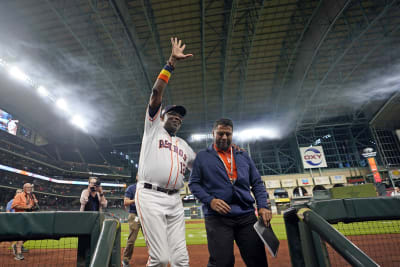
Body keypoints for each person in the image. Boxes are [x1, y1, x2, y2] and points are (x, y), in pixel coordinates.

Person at [135, 37, 195, 267]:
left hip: (175, 201)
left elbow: (202, 166)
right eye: (173, 114)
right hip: (150, 196)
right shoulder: (153, 129)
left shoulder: (183, 145)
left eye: (180, 116)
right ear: (161, 116)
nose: (178, 117)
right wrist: (171, 62)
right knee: (160, 259)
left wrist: (227, 150)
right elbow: (156, 94)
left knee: (181, 260)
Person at [189, 118, 272, 267]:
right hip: (218, 217)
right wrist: (210, 201)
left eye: (228, 134)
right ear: (213, 133)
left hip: (246, 215)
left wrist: (263, 205)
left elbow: (257, 183)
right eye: (220, 133)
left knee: (257, 260)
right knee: (222, 262)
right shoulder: (202, 156)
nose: (224, 137)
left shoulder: (242, 155)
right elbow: (194, 184)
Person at [11, 183, 39, 260]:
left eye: (30, 187)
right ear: (24, 188)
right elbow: (13, 205)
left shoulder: (32, 196)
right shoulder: (19, 195)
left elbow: (33, 207)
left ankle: (16, 246)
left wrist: (34, 207)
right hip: (20, 217)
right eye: (27, 187)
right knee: (21, 234)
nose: (29, 189)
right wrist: (26, 207)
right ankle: (18, 253)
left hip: (29, 217)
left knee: (30, 234)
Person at [122, 180, 141, 267]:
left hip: (146, 214)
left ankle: (154, 257)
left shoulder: (148, 189)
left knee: (151, 238)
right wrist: (135, 200)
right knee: (132, 239)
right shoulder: (131, 188)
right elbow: (125, 202)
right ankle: (126, 259)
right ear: (137, 177)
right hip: (135, 215)